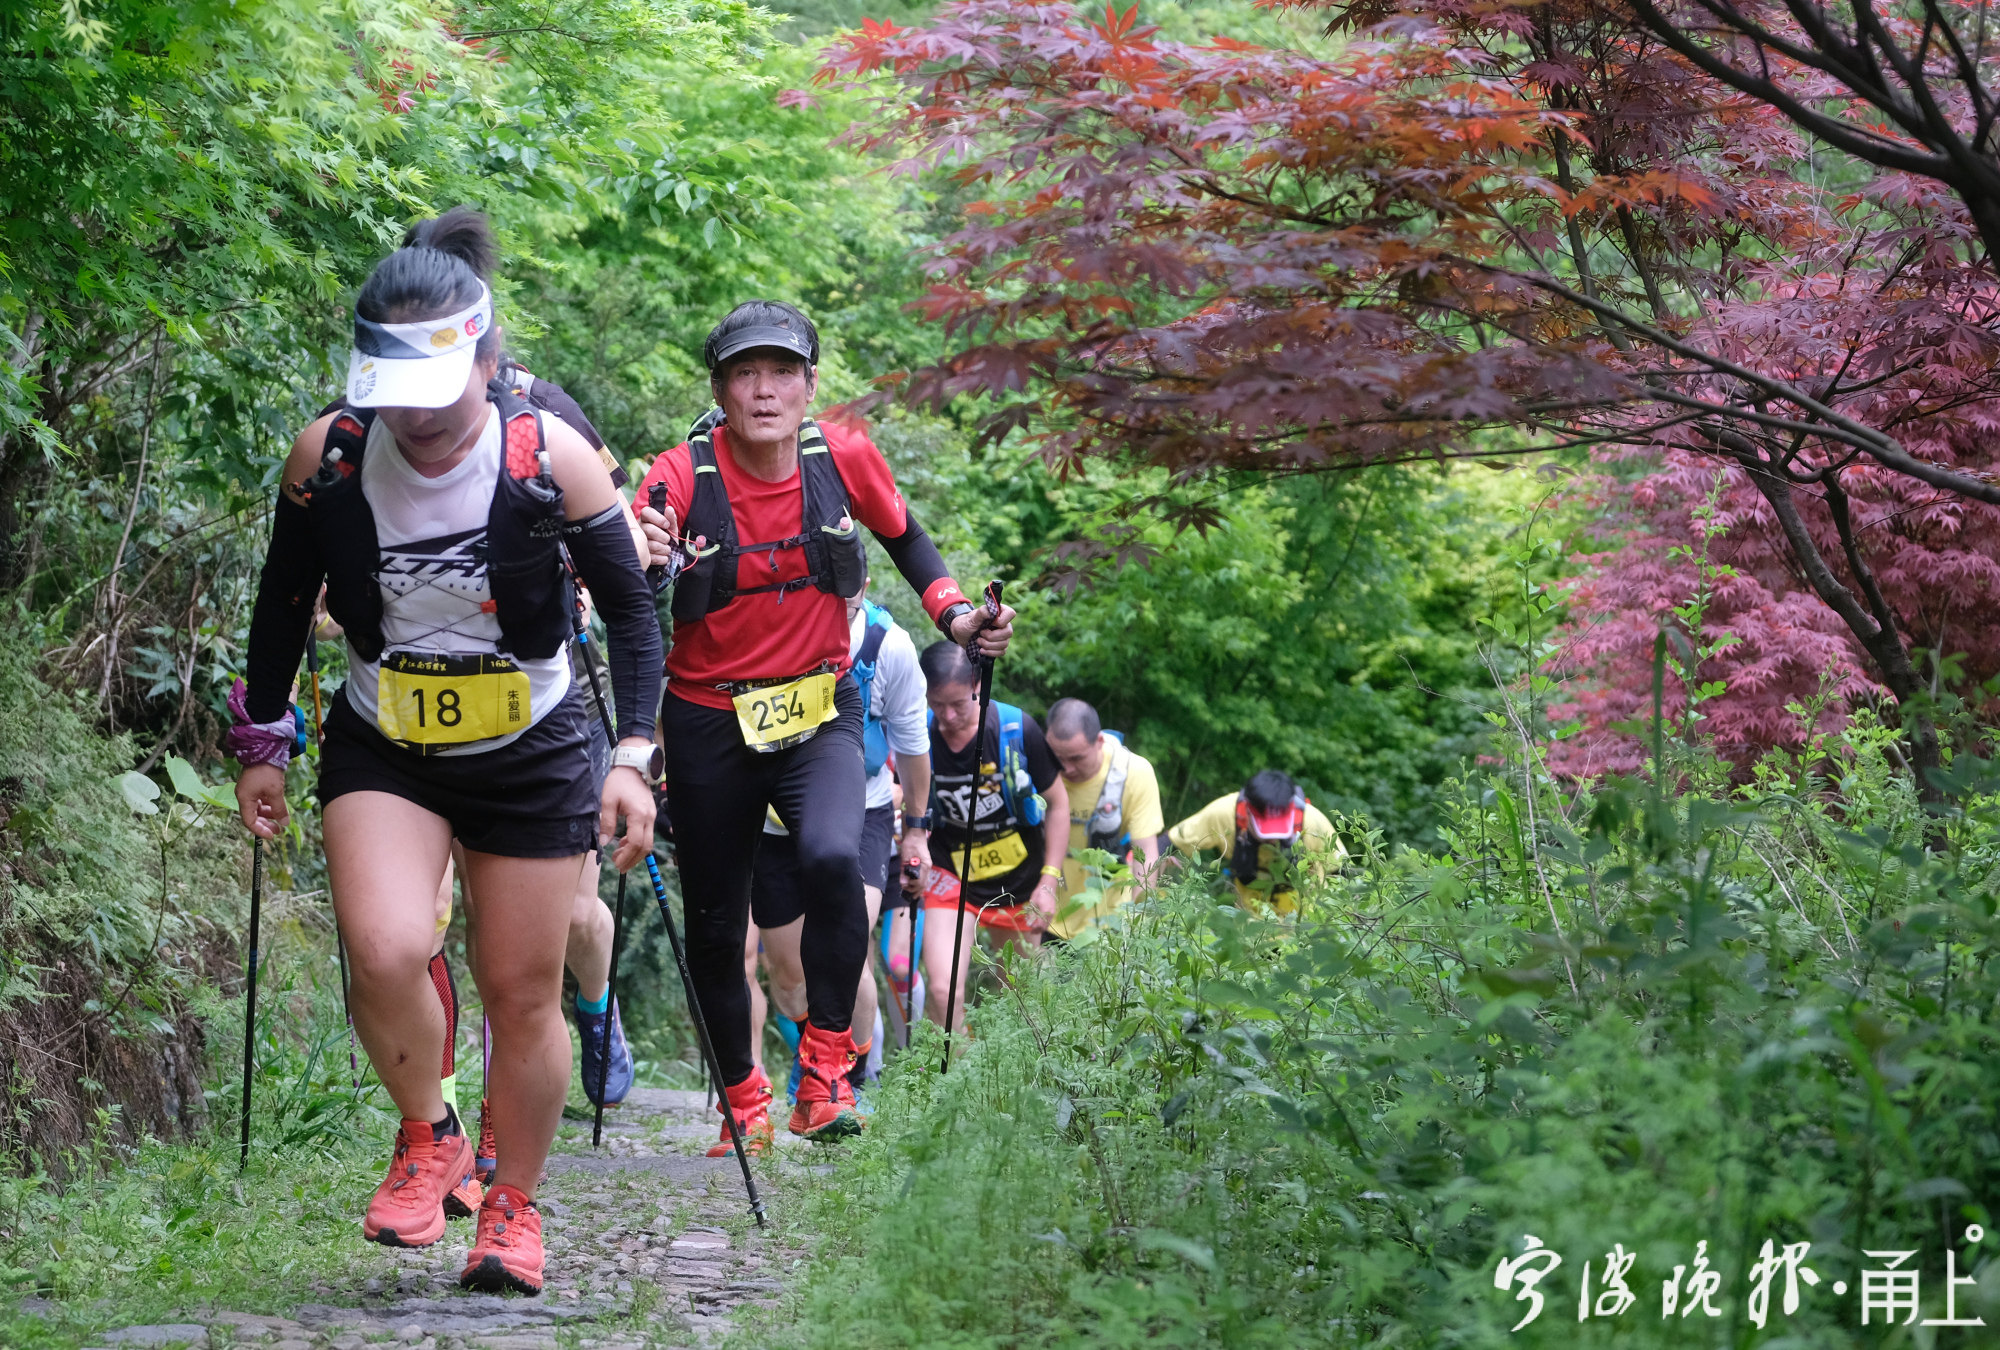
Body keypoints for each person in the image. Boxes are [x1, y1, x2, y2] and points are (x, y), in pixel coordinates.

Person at [231, 208, 663, 1297]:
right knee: (380, 948)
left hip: (531, 741)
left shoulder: (548, 454)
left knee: (520, 990)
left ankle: (511, 1208)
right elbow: (284, 601)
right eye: (393, 404)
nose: (414, 425)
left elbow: (630, 610)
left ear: (482, 359)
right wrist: (264, 738)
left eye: (435, 399)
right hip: (389, 737)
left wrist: (633, 755)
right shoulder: (326, 457)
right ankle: (430, 1132)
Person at [632, 300, 1011, 1153]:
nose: (763, 391)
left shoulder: (840, 456)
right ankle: (743, 1094)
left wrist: (955, 619)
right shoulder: (683, 471)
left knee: (838, 858)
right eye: (744, 374)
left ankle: (827, 1066)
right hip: (708, 719)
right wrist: (647, 541)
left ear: (810, 384)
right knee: (719, 925)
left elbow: (908, 539)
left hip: (820, 705)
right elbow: (639, 529)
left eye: (780, 373)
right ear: (722, 389)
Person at [751, 578, 930, 1096]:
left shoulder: (887, 646)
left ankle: (850, 1078)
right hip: (772, 820)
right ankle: (813, 1055)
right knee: (788, 978)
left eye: (844, 590)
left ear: (863, 586)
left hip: (865, 810)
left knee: (846, 954)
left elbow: (914, 750)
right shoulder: (764, 623)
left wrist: (916, 829)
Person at [912, 641, 1068, 1032]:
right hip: (951, 873)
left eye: (958, 704)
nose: (946, 716)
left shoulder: (1017, 729)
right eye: (936, 704)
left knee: (1016, 996)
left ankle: (1002, 1084)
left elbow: (1059, 804)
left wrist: (1049, 880)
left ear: (977, 685)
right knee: (944, 992)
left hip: (1019, 878)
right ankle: (954, 1082)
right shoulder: (918, 736)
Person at [1042, 698, 1164, 941]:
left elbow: (1146, 855)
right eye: (1057, 757)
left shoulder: (1133, 772)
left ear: (1098, 742)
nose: (1066, 769)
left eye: (1076, 758)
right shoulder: (1036, 764)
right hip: (1042, 914)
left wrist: (1140, 920)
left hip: (1108, 921)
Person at [1167, 769, 1344, 913]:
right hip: (1250, 927)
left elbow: (1341, 875)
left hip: (1305, 927)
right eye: (1266, 831)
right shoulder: (1223, 814)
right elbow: (1168, 844)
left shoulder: (1313, 824)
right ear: (1248, 812)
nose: (1272, 839)